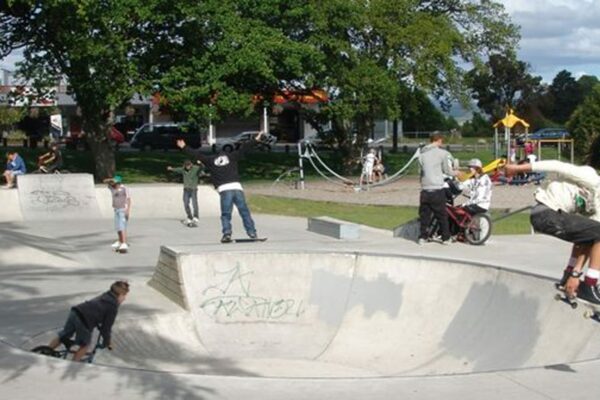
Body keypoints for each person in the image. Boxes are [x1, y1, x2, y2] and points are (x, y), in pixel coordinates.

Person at [505, 159, 600, 304]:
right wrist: (517, 168)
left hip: (552, 218)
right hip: (545, 212)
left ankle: (568, 276)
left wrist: (575, 273)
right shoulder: (591, 177)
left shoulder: (597, 208)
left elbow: (588, 241)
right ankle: (590, 284)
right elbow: (556, 165)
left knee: (589, 234)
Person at [176, 132, 265, 243]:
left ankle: (227, 234)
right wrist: (256, 140)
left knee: (226, 214)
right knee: (244, 212)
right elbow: (244, 148)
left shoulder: (211, 160)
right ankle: (252, 233)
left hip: (224, 189)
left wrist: (184, 147)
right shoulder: (233, 157)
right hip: (237, 188)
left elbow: (197, 155)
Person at [47, 281, 129, 361]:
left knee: (64, 335)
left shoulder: (105, 295)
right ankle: (73, 364)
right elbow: (106, 328)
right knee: (85, 345)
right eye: (124, 296)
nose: (124, 299)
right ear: (120, 295)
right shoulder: (113, 307)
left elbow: (94, 309)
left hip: (76, 311)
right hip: (84, 320)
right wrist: (107, 342)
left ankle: (46, 352)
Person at [418, 132, 458, 245]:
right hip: (437, 188)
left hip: (425, 189)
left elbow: (421, 172)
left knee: (424, 215)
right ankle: (446, 238)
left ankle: (422, 237)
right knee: (442, 215)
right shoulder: (442, 153)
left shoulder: (422, 154)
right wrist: (457, 172)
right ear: (439, 140)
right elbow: (447, 171)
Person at [167, 160, 202, 225]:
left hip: (193, 189)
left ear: (191, 165)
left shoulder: (196, 168)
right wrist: (171, 169)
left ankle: (196, 216)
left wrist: (201, 164)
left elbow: (202, 168)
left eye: (188, 166)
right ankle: (189, 216)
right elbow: (178, 169)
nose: (187, 167)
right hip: (186, 189)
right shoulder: (183, 169)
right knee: (185, 203)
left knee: (194, 203)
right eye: (186, 166)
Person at [102, 175, 131, 252]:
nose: (113, 183)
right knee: (118, 227)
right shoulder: (112, 188)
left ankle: (124, 243)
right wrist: (111, 180)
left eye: (115, 182)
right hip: (116, 210)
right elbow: (104, 181)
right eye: (113, 182)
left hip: (123, 209)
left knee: (122, 226)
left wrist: (127, 210)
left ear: (119, 182)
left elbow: (128, 199)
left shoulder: (124, 188)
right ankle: (120, 241)